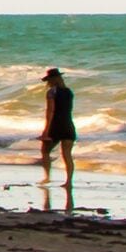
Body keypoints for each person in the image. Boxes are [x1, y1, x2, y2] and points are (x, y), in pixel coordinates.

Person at [36, 67, 77, 211]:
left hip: (56, 126)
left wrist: (46, 131)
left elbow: (50, 111)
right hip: (69, 125)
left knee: (45, 151)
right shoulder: (69, 92)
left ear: (51, 80)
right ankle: (68, 182)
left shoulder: (52, 92)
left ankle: (47, 177)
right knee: (67, 155)